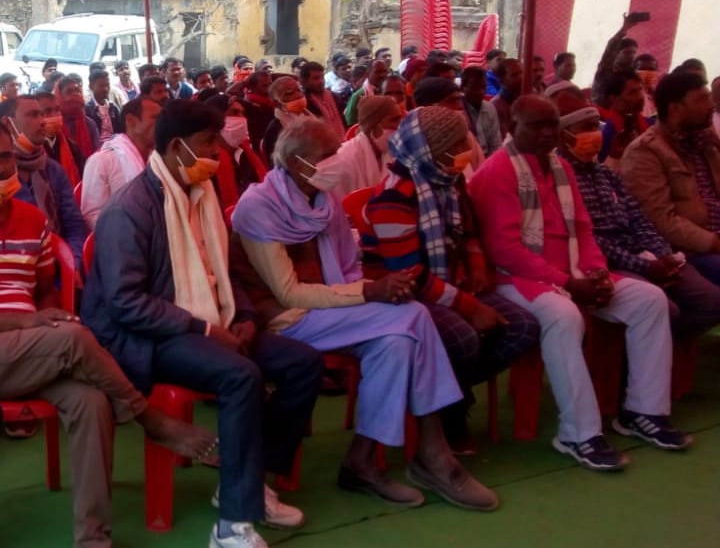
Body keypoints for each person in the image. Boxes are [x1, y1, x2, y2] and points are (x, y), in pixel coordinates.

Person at [0, 118, 216, 548]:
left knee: (92, 401)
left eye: (4, 156)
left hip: (32, 350)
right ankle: (152, 420)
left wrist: (50, 318)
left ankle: (92, 538)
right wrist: (31, 324)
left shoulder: (32, 220)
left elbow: (42, 291)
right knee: (75, 339)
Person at [81, 99, 320, 548]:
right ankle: (231, 524)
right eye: (208, 142)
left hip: (213, 322)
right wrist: (207, 331)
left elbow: (226, 272)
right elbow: (125, 303)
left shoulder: (202, 194)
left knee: (303, 364)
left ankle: (246, 482)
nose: (218, 152)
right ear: (176, 147)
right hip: (149, 336)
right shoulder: (129, 210)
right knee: (240, 375)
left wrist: (245, 315)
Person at [230, 116, 498, 511]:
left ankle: (363, 461)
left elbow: (349, 267)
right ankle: (433, 452)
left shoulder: (323, 201)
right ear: (296, 163)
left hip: (331, 313)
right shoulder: (258, 206)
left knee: (394, 342)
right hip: (286, 319)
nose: (336, 161)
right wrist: (370, 292)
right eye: (327, 156)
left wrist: (379, 293)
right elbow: (288, 293)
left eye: (336, 152)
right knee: (414, 317)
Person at [470, 96, 685, 470]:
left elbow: (584, 230)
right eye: (536, 126)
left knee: (650, 300)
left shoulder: (561, 168)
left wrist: (596, 271)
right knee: (564, 316)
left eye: (552, 124)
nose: (547, 133)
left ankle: (642, 412)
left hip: (573, 273)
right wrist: (569, 283)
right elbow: (504, 251)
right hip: (517, 280)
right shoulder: (497, 172)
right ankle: (578, 433)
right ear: (512, 129)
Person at [360, 108, 540, 451]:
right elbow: (409, 274)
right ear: (431, 147)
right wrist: (470, 307)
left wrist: (474, 265)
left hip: (449, 281)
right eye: (456, 142)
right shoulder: (393, 196)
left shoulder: (447, 180)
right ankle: (450, 411)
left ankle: (447, 395)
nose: (466, 148)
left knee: (523, 327)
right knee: (464, 338)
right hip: (404, 295)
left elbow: (468, 230)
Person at [553, 93, 720, 337]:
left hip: (646, 255)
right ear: (564, 135)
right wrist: (645, 266)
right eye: (586, 128)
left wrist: (662, 255)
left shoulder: (605, 174)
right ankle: (629, 361)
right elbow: (590, 238)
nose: (595, 133)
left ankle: (652, 351)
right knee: (661, 308)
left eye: (595, 125)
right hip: (605, 263)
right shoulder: (559, 177)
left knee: (712, 302)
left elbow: (639, 218)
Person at [622, 71, 720, 285]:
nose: (711, 106)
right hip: (690, 251)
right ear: (675, 108)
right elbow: (661, 221)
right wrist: (714, 242)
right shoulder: (645, 152)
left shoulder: (703, 141)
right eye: (701, 100)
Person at [0, 96, 88, 262]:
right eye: (33, 115)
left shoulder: (52, 169)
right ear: (9, 124)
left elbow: (74, 224)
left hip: (59, 264)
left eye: (41, 115)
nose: (43, 121)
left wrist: (72, 263)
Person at [80, 97, 161, 229]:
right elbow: (92, 216)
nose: (162, 124)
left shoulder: (160, 159)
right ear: (131, 121)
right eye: (155, 118)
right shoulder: (102, 160)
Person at [313, 95, 403, 201]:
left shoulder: (390, 153)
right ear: (374, 127)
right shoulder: (343, 159)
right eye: (394, 120)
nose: (400, 125)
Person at [597, 71, 649, 169]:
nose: (640, 97)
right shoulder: (605, 136)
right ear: (614, 98)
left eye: (640, 90)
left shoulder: (651, 125)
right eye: (632, 92)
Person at [258, 76, 309, 158]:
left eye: (299, 90)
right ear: (276, 103)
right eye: (289, 93)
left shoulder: (308, 116)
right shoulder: (275, 130)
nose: (298, 95)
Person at [298, 61, 347, 143]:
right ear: (304, 81)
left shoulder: (335, 97)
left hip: (343, 142)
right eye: (316, 78)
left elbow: (343, 121)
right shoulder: (304, 102)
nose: (321, 81)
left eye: (322, 77)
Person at [56, 74, 100, 162]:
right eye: (69, 91)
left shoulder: (89, 124)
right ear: (60, 96)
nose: (75, 95)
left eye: (77, 90)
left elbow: (96, 154)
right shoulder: (55, 125)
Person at [460, 67, 502, 157]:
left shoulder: (490, 107)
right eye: (474, 87)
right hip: (467, 160)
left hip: (486, 158)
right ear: (463, 88)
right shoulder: (458, 110)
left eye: (483, 87)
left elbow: (495, 142)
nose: (480, 92)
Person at [344, 60, 390, 127]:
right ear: (367, 74)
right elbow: (350, 123)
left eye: (385, 71)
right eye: (378, 72)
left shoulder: (391, 91)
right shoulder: (358, 96)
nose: (382, 75)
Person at [489, 58, 524, 139]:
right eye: (514, 75)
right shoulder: (496, 106)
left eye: (522, 73)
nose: (521, 77)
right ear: (501, 80)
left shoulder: (527, 97)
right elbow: (504, 139)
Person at [85, 70, 120, 143]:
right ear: (91, 87)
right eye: (101, 86)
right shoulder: (87, 110)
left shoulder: (113, 107)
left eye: (107, 85)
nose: (105, 89)